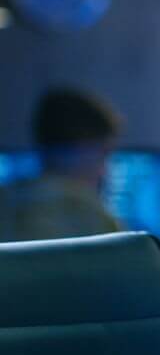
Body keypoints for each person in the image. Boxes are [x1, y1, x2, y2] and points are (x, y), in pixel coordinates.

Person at [0, 88, 122, 242]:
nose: (104, 171)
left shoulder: (5, 199)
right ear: (82, 147)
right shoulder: (90, 215)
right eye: (105, 154)